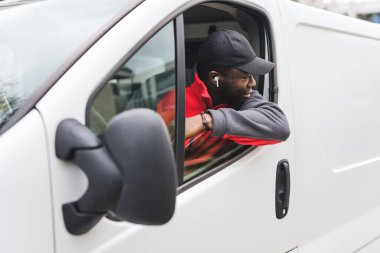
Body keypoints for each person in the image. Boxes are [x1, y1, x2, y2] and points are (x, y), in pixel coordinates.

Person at [158, 29, 290, 170]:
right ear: (215, 78)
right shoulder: (168, 92)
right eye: (245, 77)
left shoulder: (242, 97)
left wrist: (207, 120)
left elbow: (279, 126)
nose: (253, 83)